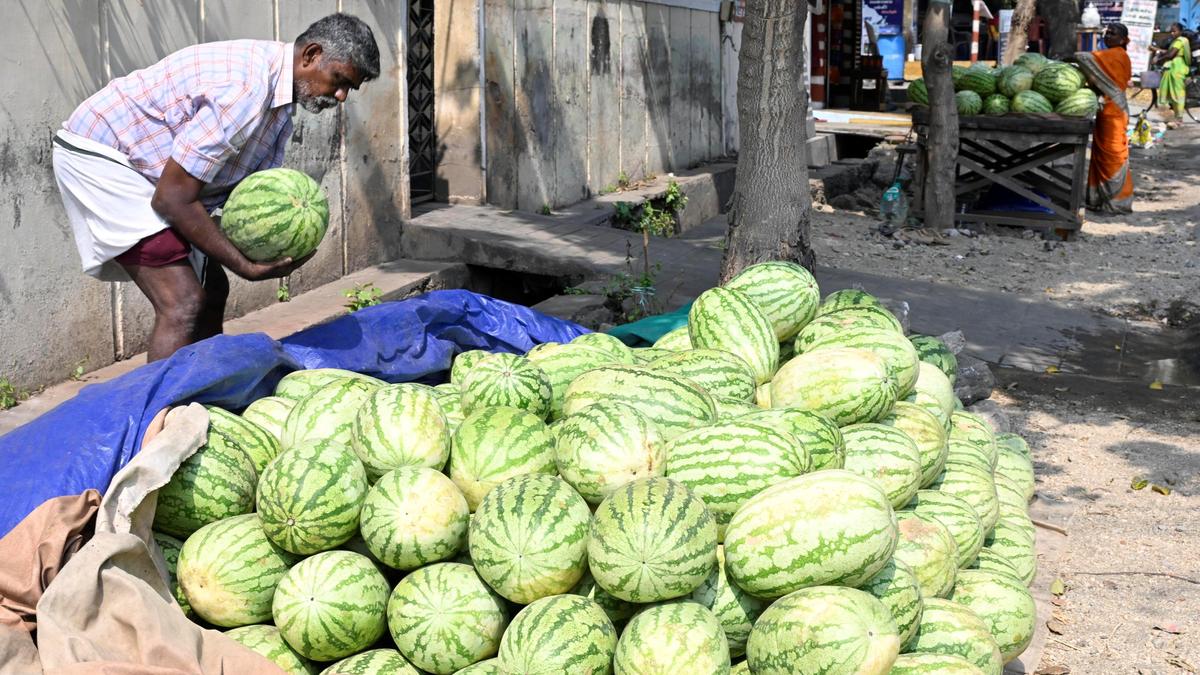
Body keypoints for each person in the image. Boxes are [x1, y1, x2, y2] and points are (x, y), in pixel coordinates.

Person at [52, 14, 380, 361]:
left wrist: (264, 237)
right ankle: (161, 397)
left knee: (212, 289)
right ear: (311, 55)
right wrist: (245, 266)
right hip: (104, 158)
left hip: (153, 173)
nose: (341, 96)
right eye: (339, 80)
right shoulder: (246, 88)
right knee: (182, 301)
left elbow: (239, 191)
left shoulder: (280, 100)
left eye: (350, 88)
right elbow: (173, 198)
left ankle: (208, 384)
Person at [1075, 23, 1134, 214]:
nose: (1108, 36)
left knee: (1112, 156)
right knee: (1101, 155)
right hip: (1109, 109)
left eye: (1113, 33)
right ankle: (1099, 199)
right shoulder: (1116, 55)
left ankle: (1118, 202)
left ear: (1123, 39)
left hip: (1114, 112)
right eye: (1107, 33)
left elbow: (1083, 57)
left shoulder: (1117, 54)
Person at [1153, 22, 1192, 125]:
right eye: (1171, 31)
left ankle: (1179, 118)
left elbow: (1170, 55)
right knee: (1171, 93)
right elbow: (1168, 52)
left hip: (1177, 69)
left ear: (1180, 31)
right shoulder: (1175, 41)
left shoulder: (1180, 40)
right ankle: (1174, 117)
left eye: (1174, 31)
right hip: (1173, 69)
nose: (1172, 33)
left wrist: (1158, 60)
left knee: (1178, 94)